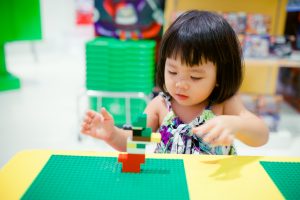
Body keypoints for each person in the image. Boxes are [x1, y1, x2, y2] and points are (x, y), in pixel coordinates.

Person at [81, 10, 269, 155]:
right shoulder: (160, 106)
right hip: (169, 184)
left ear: (220, 75)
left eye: (195, 77)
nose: (180, 84)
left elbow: (261, 135)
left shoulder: (224, 104)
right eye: (172, 71)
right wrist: (112, 134)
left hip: (212, 187)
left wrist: (236, 124)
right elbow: (136, 140)